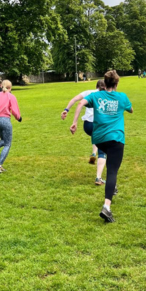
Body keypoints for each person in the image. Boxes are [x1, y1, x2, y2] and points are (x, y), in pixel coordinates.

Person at [70, 70, 133, 223]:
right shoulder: (121, 97)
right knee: (112, 171)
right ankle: (107, 207)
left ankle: (112, 185)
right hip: (116, 138)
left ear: (104, 83)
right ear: (116, 83)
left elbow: (80, 103)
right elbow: (131, 110)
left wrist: (75, 122)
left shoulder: (96, 96)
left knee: (106, 156)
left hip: (99, 139)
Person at [61, 80, 107, 185]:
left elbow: (75, 100)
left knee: (96, 137)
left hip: (88, 126)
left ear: (96, 86)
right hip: (100, 125)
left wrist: (66, 110)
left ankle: (93, 153)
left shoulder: (88, 92)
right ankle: (98, 177)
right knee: (103, 150)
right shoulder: (106, 95)